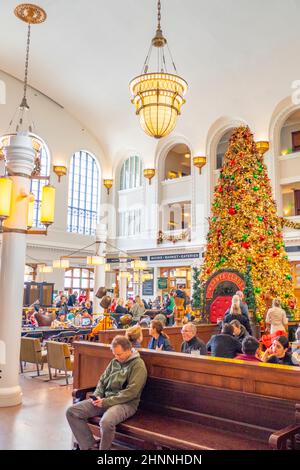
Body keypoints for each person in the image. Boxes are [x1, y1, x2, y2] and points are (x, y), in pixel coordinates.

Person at [66, 336, 147, 450]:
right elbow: (102, 381)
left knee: (106, 422)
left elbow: (131, 392)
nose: (116, 357)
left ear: (129, 350)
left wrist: (106, 401)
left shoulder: (138, 365)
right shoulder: (114, 362)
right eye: (114, 354)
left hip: (126, 404)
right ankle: (90, 446)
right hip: (104, 400)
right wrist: (98, 394)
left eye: (119, 354)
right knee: (72, 412)